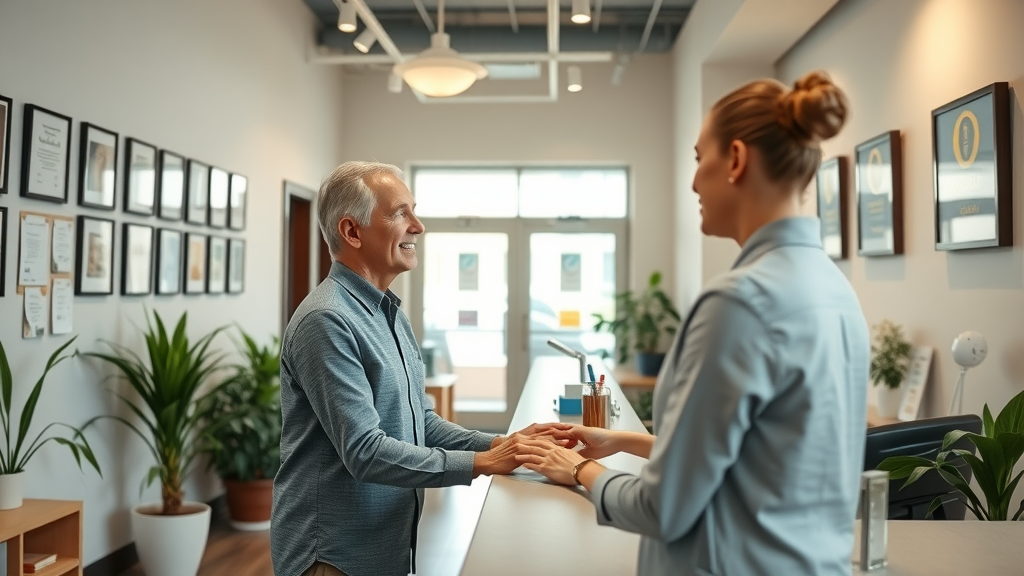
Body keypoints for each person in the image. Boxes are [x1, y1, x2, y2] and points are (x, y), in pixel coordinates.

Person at [516, 71, 870, 576]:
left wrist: (579, 470)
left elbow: (665, 508)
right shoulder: (835, 291)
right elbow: (756, 461)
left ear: (737, 160)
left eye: (700, 159)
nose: (693, 181)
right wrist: (622, 441)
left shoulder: (740, 303)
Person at [271, 161, 567, 576]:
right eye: (400, 213)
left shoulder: (389, 312)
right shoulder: (327, 321)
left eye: (414, 209)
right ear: (352, 232)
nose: (418, 226)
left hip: (386, 545)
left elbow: (419, 422)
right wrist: (482, 463)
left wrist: (504, 443)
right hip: (334, 556)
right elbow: (365, 452)